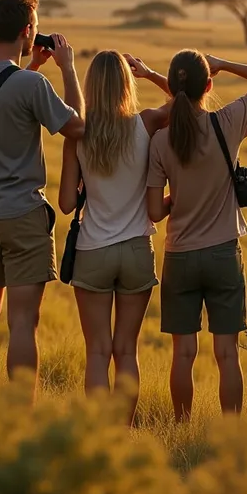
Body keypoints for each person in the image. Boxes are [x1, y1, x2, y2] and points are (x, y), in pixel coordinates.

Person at [0, 0, 85, 397]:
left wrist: (31, 68)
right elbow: (77, 126)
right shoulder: (31, 86)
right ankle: (18, 416)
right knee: (23, 322)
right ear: (29, 31)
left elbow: (0, 98)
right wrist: (65, 68)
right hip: (22, 216)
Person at [147, 50, 247, 421]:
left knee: (183, 355)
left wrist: (180, 197)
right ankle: (232, 432)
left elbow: (155, 211)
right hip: (223, 254)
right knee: (227, 355)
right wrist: (223, 63)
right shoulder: (228, 122)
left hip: (180, 257)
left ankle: (182, 426)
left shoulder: (160, 141)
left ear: (171, 91)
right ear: (209, 86)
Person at [59, 51, 171, 424]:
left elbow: (64, 203)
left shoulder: (77, 134)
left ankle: (99, 435)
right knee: (127, 351)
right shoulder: (148, 122)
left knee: (97, 353)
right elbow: (188, 103)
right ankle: (123, 433)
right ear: (128, 83)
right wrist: (152, 74)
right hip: (138, 249)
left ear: (90, 87)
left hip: (93, 250)